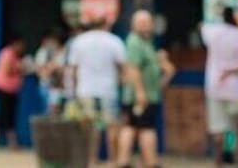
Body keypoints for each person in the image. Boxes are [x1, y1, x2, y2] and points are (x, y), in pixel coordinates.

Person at [68, 18, 145, 166]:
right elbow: (124, 67)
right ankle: (112, 160)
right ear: (106, 25)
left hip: (85, 90)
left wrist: (73, 91)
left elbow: (73, 70)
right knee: (112, 127)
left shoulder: (79, 42)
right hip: (108, 90)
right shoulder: (113, 41)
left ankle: (91, 161)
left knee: (90, 128)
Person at [117, 10, 176, 168]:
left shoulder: (147, 43)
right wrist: (140, 92)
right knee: (140, 128)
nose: (144, 25)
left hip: (149, 94)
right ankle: (142, 162)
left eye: (147, 22)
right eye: (140, 22)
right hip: (139, 96)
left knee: (136, 127)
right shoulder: (134, 42)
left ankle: (143, 161)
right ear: (133, 25)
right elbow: (133, 68)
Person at [200, 6, 238, 168]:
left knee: (217, 129)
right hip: (237, 89)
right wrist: (231, 70)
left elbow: (201, 27)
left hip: (215, 86)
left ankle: (218, 164)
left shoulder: (212, 32)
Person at [0, 36, 26, 150]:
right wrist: (19, 68)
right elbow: (6, 70)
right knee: (0, 116)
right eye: (20, 45)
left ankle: (12, 143)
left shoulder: (15, 55)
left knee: (9, 117)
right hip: (2, 89)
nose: (22, 48)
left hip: (10, 90)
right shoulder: (7, 53)